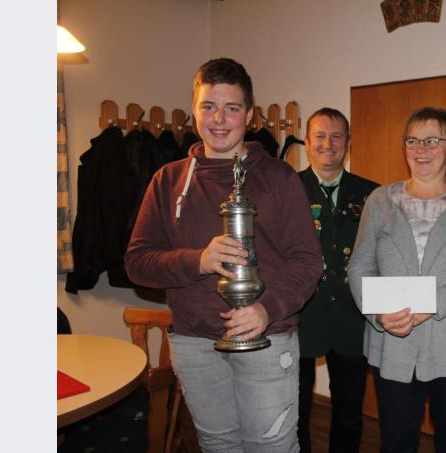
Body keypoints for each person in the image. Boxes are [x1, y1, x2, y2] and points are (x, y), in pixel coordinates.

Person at [124, 58, 323, 453]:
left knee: (272, 446)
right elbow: (137, 262)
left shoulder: (279, 177)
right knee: (218, 446)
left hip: (267, 338)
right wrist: (197, 260)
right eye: (208, 107)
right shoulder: (167, 180)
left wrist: (266, 309)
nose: (219, 119)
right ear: (194, 110)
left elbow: (308, 261)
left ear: (249, 115)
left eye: (231, 108)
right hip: (194, 344)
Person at [348, 107, 446, 452]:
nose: (421, 149)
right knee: (397, 440)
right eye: (413, 141)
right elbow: (359, 264)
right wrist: (377, 314)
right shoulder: (379, 200)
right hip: (394, 343)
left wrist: (433, 302)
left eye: (433, 140)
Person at [297, 108, 378, 453]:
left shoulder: (372, 194)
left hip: (352, 318)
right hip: (300, 316)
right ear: (306, 142)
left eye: (336, 136)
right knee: (296, 411)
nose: (328, 144)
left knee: (348, 413)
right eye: (320, 136)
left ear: (348, 142)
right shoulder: (288, 189)